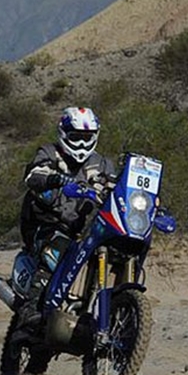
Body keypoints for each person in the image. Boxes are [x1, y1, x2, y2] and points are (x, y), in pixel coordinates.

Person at [17, 107, 117, 328]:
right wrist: (54, 178)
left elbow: (114, 184)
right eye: (75, 138)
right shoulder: (49, 152)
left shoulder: (101, 163)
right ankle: (30, 309)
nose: (81, 144)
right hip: (46, 221)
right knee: (56, 249)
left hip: (85, 226)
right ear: (63, 134)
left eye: (86, 138)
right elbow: (33, 175)